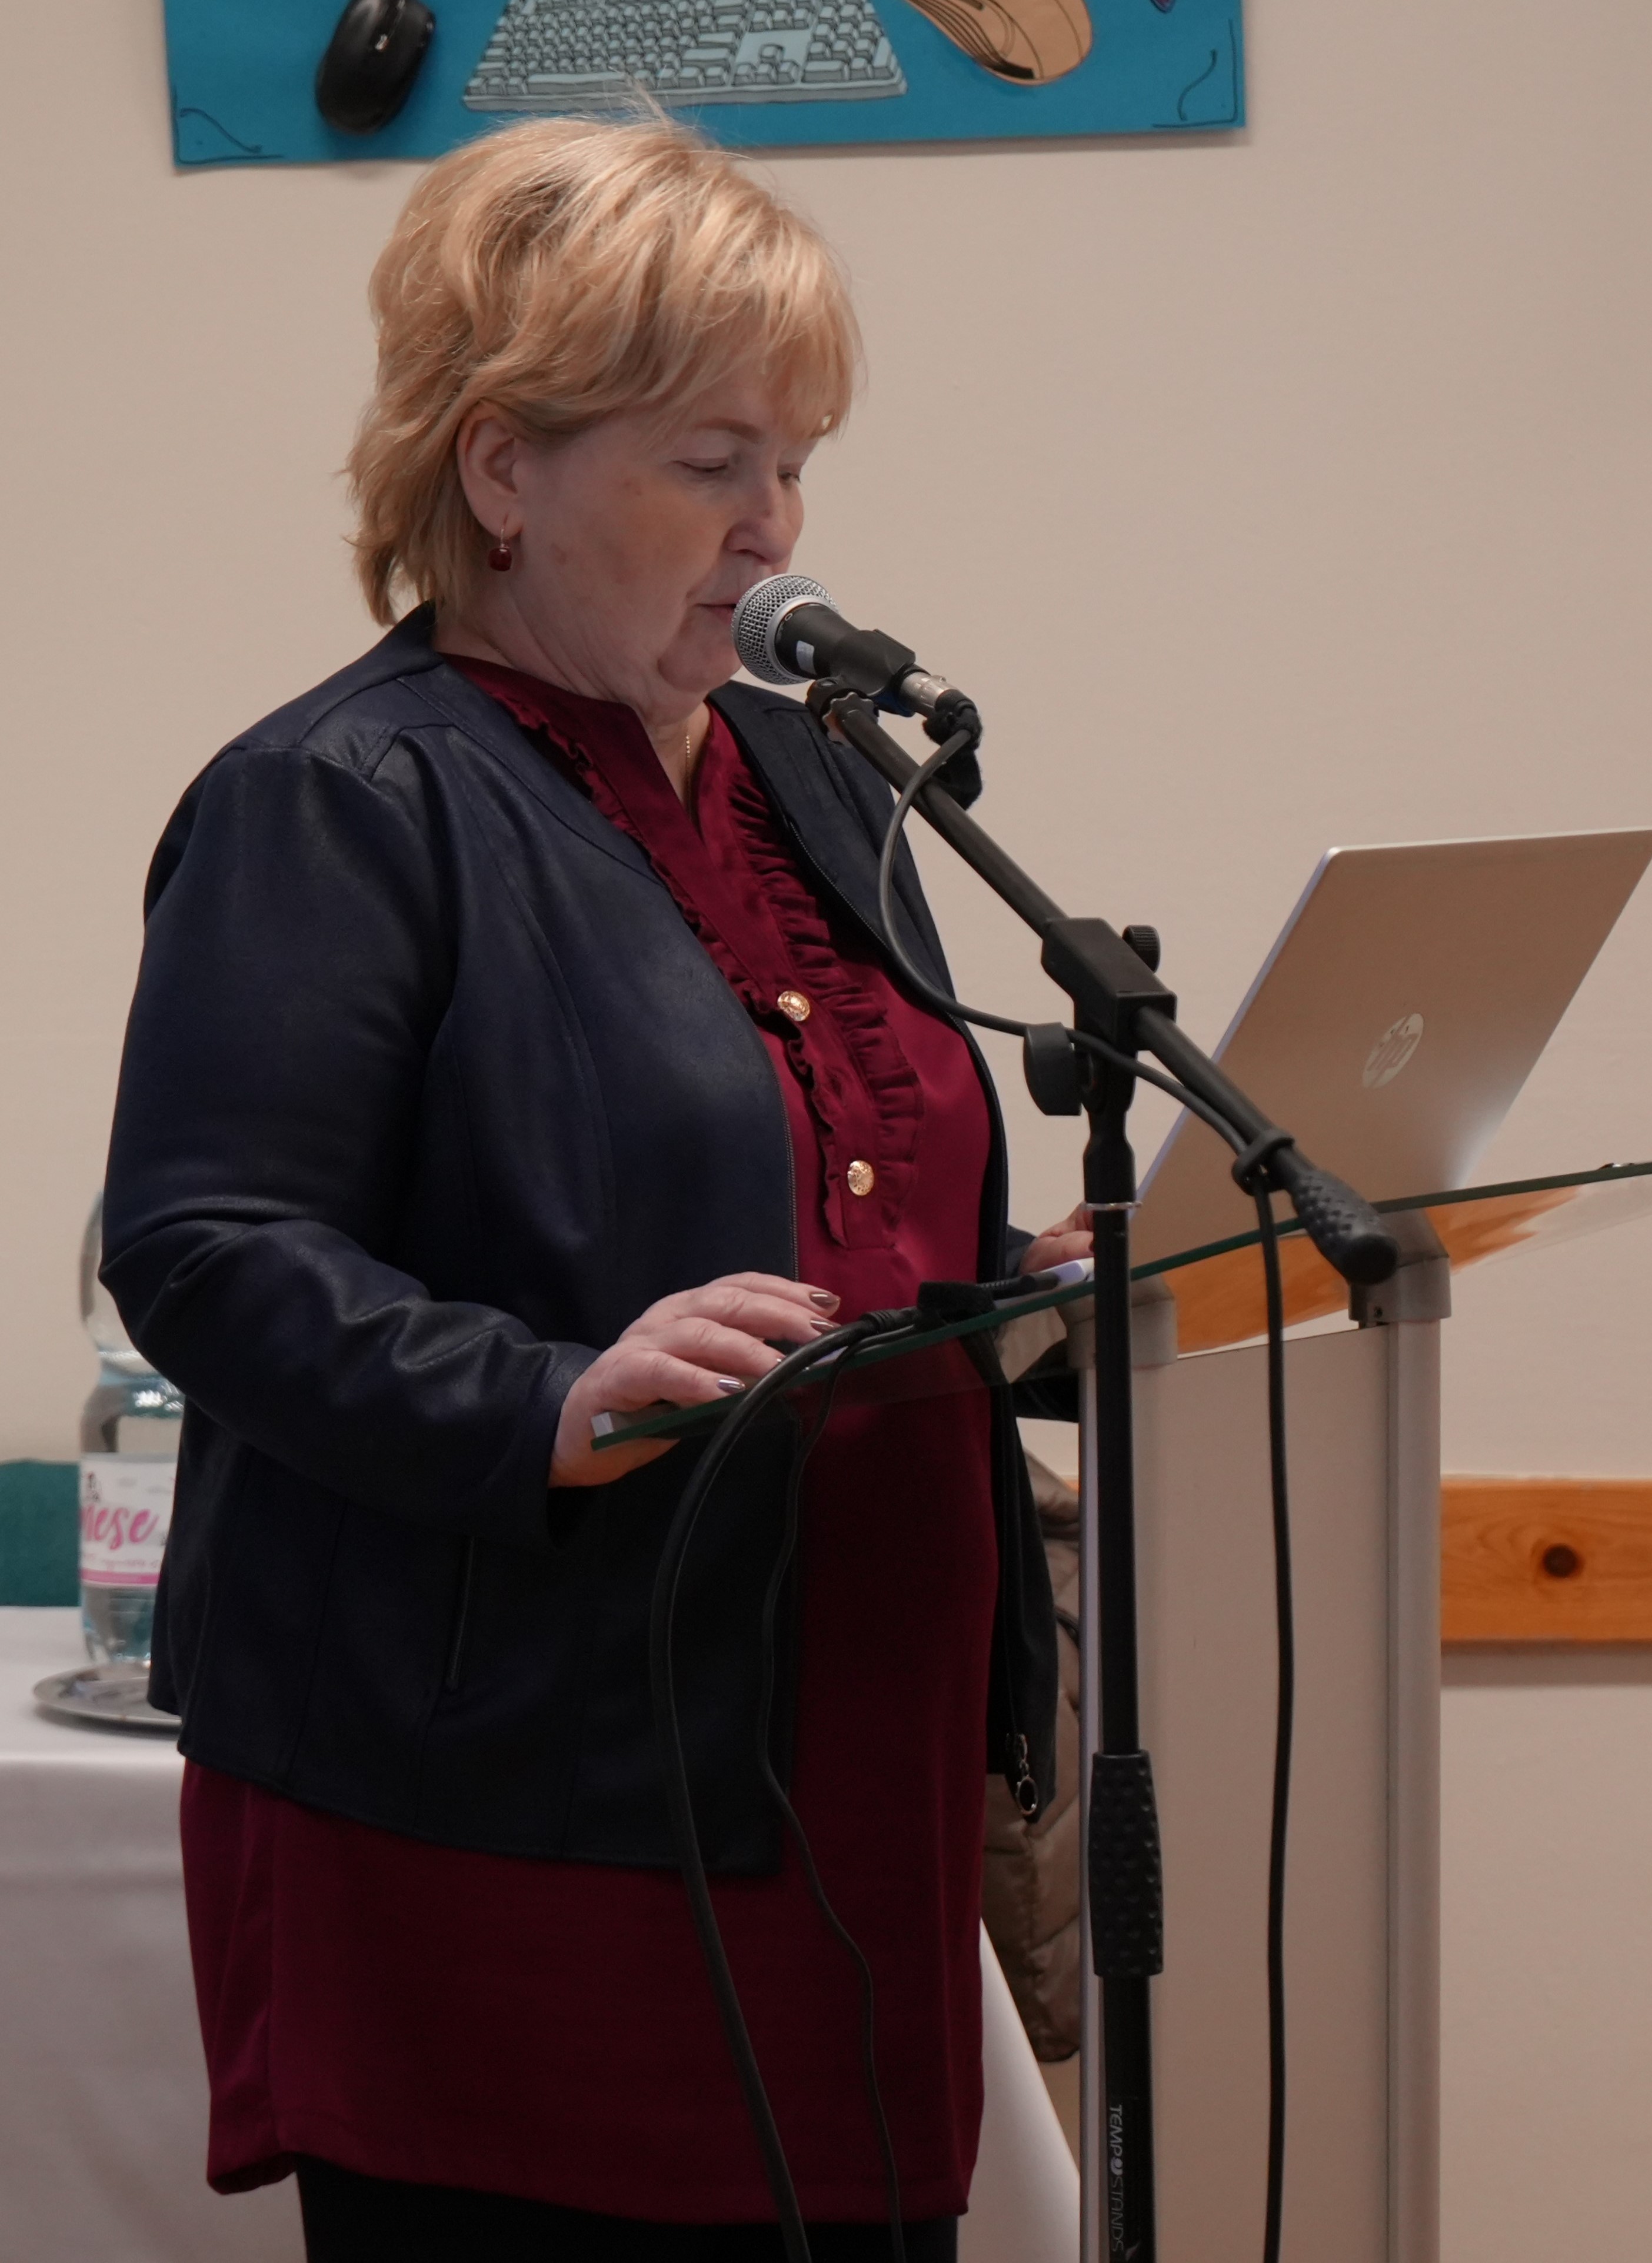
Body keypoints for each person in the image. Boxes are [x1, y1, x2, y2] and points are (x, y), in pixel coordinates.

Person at [101, 117, 1088, 2263]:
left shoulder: (817, 775)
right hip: (520, 1812)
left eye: (795, 462)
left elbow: (841, 1204)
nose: (776, 526)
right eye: (711, 460)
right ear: (501, 469)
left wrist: (1030, 1285)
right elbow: (203, 1247)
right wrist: (542, 1397)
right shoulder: (339, 799)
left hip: (859, 1781)